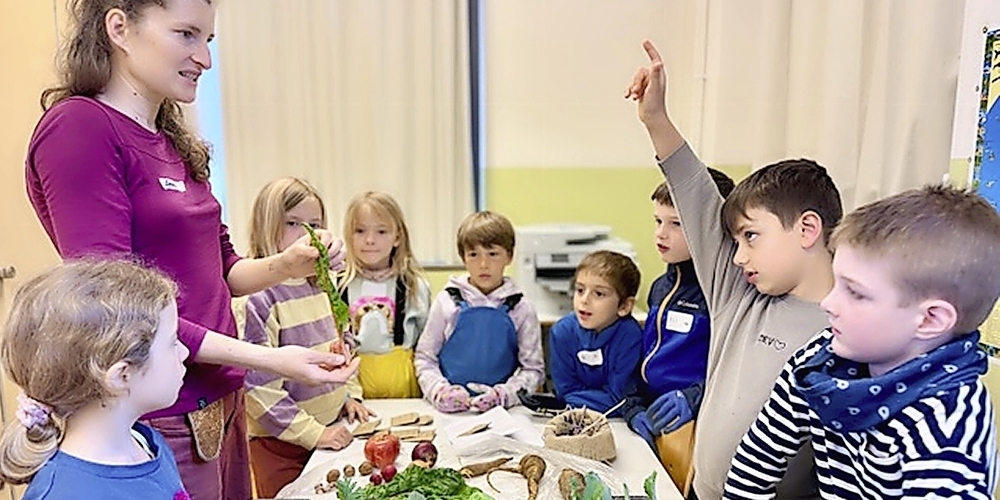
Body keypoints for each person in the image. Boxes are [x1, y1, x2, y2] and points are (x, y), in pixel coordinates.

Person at [23, 2, 357, 498]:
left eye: (209, 40)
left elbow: (224, 268)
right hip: (162, 412)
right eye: (186, 34)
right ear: (119, 28)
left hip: (222, 400)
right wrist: (272, 359)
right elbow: (118, 308)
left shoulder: (171, 142)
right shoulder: (80, 130)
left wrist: (289, 264)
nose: (204, 57)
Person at [625, 40, 843, 500]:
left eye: (751, 237)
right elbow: (696, 195)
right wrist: (656, 120)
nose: (737, 255)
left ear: (807, 229)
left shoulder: (851, 329)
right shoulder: (739, 293)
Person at [724, 185, 1000, 499]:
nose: (828, 302)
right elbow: (756, 460)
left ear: (930, 320)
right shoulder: (818, 358)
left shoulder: (947, 430)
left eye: (855, 292)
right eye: (837, 281)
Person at [0, 260, 189, 499]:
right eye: (172, 343)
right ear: (122, 376)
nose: (185, 353)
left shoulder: (144, 442)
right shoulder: (66, 493)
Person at [236, 178, 375, 498]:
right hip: (281, 446)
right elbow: (259, 390)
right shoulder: (258, 298)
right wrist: (315, 434)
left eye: (314, 224)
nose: (307, 234)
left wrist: (348, 396)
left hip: (330, 431)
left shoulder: (325, 285)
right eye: (293, 223)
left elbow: (344, 346)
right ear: (267, 227)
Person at [624, 173, 734, 449]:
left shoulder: (721, 293)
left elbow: (735, 371)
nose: (661, 233)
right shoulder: (661, 286)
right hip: (655, 415)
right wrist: (634, 406)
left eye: (677, 224)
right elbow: (646, 358)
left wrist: (695, 397)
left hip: (698, 424)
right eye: (658, 221)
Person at [414, 211, 545, 413]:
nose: (483, 264)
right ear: (463, 258)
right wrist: (439, 391)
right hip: (448, 411)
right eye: (473, 255)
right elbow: (425, 358)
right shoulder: (446, 302)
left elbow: (533, 370)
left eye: (493, 254)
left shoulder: (522, 308)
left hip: (503, 412)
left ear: (509, 256)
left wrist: (505, 395)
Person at [337, 191, 432, 399]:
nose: (370, 240)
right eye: (360, 231)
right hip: (350, 392)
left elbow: (428, 347)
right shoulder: (338, 286)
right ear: (348, 235)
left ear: (397, 237)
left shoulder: (414, 286)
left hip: (403, 390)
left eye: (381, 231)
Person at [548, 250, 643, 416]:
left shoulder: (630, 336)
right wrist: (599, 398)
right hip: (574, 417)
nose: (584, 300)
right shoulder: (562, 333)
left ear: (624, 306)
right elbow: (564, 392)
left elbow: (619, 399)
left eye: (599, 293)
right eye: (579, 290)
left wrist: (575, 399)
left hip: (618, 422)